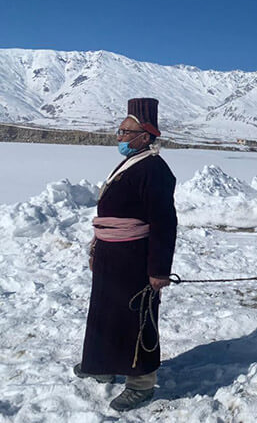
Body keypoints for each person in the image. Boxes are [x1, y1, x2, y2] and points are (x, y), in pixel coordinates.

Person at [74, 98, 178, 411]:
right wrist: (97, 247)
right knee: (106, 314)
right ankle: (103, 365)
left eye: (125, 132)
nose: (119, 137)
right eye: (119, 131)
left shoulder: (155, 170)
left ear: (145, 136)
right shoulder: (132, 162)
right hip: (111, 255)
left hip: (135, 258)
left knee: (137, 316)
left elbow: (164, 222)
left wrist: (158, 270)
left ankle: (141, 384)